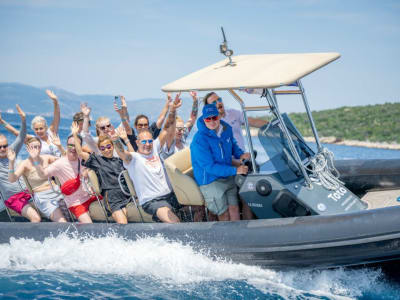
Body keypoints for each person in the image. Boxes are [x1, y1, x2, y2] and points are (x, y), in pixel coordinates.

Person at [111, 94, 182, 223]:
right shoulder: (133, 158)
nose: (148, 144)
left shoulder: (155, 147)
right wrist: (115, 140)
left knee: (198, 205)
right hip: (152, 201)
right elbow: (122, 153)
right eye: (144, 142)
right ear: (137, 142)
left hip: (171, 195)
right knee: (174, 222)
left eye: (150, 141)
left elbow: (167, 128)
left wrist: (172, 110)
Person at [190, 104, 250, 221]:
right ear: (204, 119)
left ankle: (240, 236)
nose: (212, 121)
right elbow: (209, 167)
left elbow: (232, 145)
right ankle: (227, 238)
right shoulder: (199, 140)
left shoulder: (226, 129)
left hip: (227, 175)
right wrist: (235, 170)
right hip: (210, 180)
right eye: (208, 119)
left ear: (219, 117)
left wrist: (240, 154)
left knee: (235, 209)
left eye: (214, 118)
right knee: (224, 215)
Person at [71, 122, 133, 224]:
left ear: (112, 146)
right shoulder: (97, 160)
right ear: (100, 149)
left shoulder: (119, 160)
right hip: (112, 197)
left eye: (109, 146)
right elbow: (80, 153)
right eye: (103, 148)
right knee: (123, 222)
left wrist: (122, 139)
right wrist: (75, 135)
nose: (107, 150)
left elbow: (132, 156)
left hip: (126, 194)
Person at [30, 134, 97, 223]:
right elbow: (43, 174)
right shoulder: (60, 163)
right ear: (67, 146)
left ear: (80, 146)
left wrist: (88, 170)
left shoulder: (83, 158)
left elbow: (97, 159)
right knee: (89, 226)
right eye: (70, 145)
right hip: (75, 202)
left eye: (76, 145)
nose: (73, 148)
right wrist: (35, 159)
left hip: (90, 196)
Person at [8, 137, 67, 222]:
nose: (36, 149)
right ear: (27, 148)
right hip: (43, 197)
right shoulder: (25, 164)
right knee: (62, 221)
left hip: (57, 191)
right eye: (33, 147)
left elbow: (65, 161)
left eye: (38, 147)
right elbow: (12, 179)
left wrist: (60, 146)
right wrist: (11, 162)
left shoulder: (46, 158)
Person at [0, 105, 41, 222]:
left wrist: (23, 120)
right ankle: (33, 240)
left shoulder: (11, 151)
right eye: (0, 147)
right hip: (13, 199)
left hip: (27, 193)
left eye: (5, 146)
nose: (3, 149)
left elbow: (22, 136)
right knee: (36, 218)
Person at [3, 90, 64, 157]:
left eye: (41, 128)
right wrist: (1, 122)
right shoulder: (33, 140)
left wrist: (55, 101)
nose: (39, 131)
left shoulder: (52, 133)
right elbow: (14, 131)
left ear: (46, 128)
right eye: (36, 129)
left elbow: (57, 117)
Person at [203, 92, 268, 152]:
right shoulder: (210, 124)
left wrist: (272, 125)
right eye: (214, 102)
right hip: (227, 161)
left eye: (219, 100)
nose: (218, 103)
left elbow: (253, 122)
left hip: (243, 157)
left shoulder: (234, 113)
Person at [160, 91, 198, 160]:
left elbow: (192, 119)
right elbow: (169, 124)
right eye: (178, 129)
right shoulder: (168, 143)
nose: (180, 131)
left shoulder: (182, 137)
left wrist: (195, 101)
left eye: (182, 129)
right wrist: (173, 108)